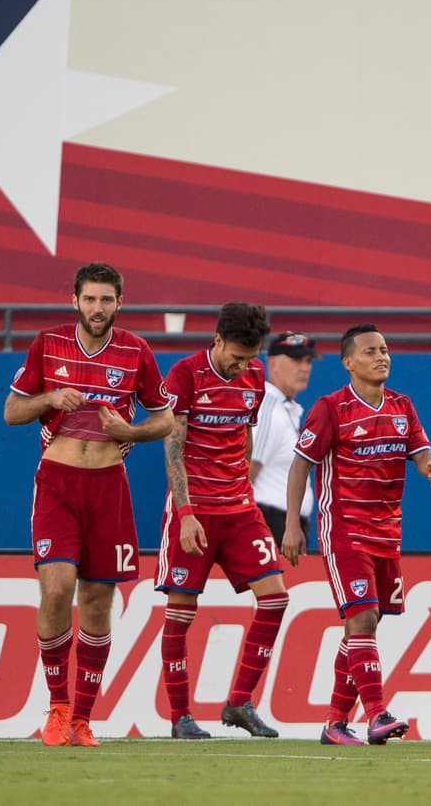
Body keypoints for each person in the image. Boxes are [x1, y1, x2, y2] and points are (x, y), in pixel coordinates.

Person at [3, 261, 175, 748]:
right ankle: (57, 707)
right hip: (57, 482)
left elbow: (165, 420)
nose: (98, 308)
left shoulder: (136, 351)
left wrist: (131, 433)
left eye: (106, 299)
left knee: (99, 602)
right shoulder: (48, 343)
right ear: (74, 301)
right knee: (57, 589)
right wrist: (49, 397)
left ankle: (82, 718)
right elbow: (12, 410)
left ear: (120, 302)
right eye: (90, 299)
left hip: (108, 486)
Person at [281, 324, 431, 746]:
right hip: (344, 529)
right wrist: (293, 525)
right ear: (348, 362)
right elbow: (301, 464)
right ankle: (377, 714)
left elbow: (420, 450)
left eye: (385, 349)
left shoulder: (402, 406)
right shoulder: (331, 408)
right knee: (364, 618)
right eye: (371, 351)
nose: (381, 357)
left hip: (387, 532)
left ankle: (335, 724)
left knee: (363, 627)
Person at [156, 302, 289, 740]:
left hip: (238, 509)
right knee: (181, 612)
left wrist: (244, 485)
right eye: (237, 355)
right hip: (193, 511)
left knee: (275, 598)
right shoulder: (185, 375)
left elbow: (245, 433)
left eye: (251, 357)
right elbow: (172, 445)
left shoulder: (253, 377)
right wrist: (186, 513)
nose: (242, 365)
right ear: (216, 340)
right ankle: (180, 718)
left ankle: (238, 703)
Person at [251, 332, 319, 548]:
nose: (305, 367)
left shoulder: (284, 408)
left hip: (286, 525)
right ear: (273, 363)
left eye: (308, 361)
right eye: (297, 360)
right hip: (270, 524)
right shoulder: (268, 408)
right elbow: (246, 472)